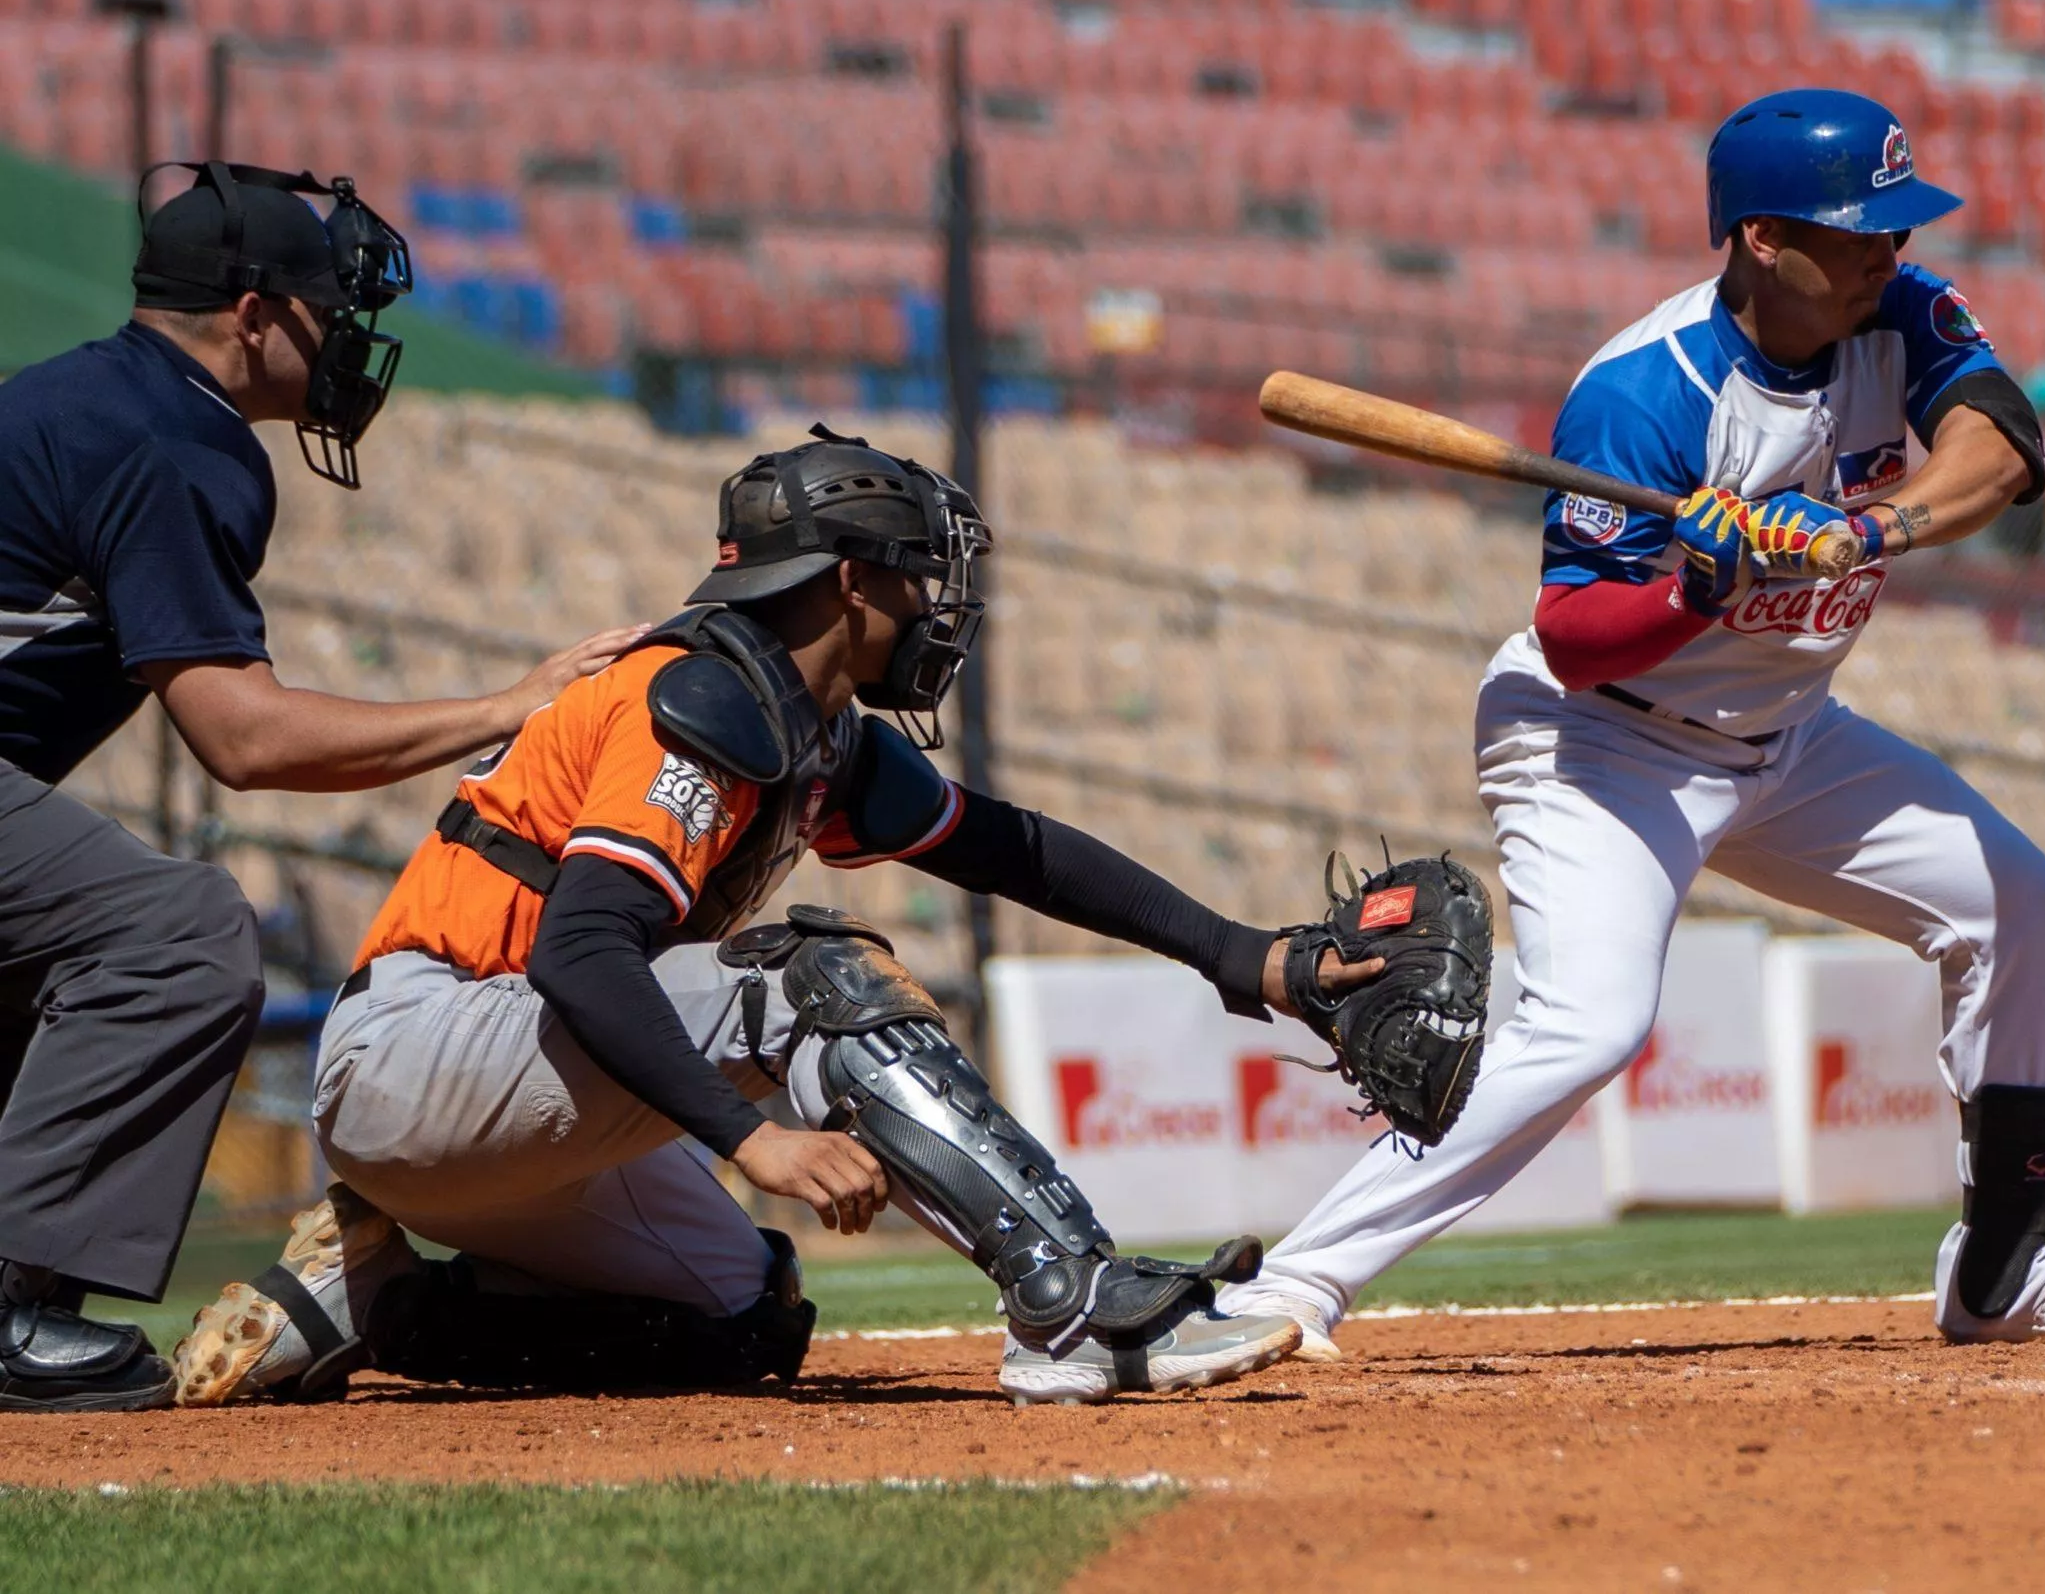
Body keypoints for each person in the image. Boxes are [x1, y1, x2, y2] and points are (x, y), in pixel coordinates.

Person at [1220, 90, 2045, 1357]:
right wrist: (1698, 586)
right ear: (1763, 240)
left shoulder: (1898, 309)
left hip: (1785, 733)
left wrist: (1859, 531)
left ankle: (2002, 1266)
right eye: (1859, 234)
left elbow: (1999, 447)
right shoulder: (1642, 394)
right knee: (1590, 1026)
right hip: (1606, 745)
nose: (1888, 254)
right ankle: (1291, 1286)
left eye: (1895, 230)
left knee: (2020, 902)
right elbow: (1572, 641)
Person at [172, 431, 1378, 1408]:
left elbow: (1014, 850)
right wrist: (753, 1145)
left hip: (516, 1103)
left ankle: (369, 1305)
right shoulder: (694, 697)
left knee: (745, 1318)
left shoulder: (812, 724)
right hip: (415, 1056)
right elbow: (582, 949)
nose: (932, 606)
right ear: (848, 581)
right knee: (818, 975)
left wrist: (1245, 957)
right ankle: (1071, 1305)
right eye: (914, 574)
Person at [0, 162, 637, 1413]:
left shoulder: (87, 398)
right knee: (174, 934)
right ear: (252, 313)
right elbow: (244, 741)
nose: (347, 340)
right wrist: (506, 705)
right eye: (326, 310)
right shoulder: (171, 437)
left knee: (40, 952)